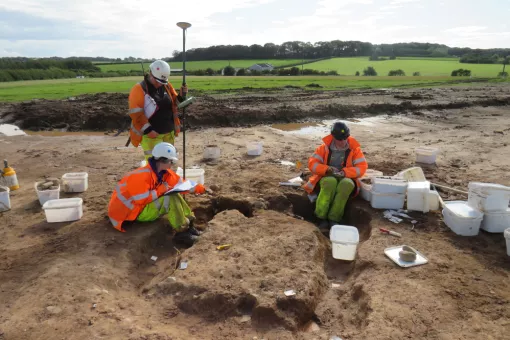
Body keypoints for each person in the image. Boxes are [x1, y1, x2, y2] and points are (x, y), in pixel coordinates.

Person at [108, 142, 207, 247]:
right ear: (162, 160)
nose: (172, 164)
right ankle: (181, 233)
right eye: (171, 161)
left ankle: (189, 225)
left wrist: (201, 189)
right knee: (168, 198)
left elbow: (182, 184)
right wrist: (161, 190)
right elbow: (141, 200)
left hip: (140, 208)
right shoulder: (140, 176)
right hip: (130, 214)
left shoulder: (164, 173)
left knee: (175, 193)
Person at [303, 122, 368, 228]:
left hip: (346, 177)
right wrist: (327, 169)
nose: (343, 141)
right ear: (333, 137)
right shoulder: (323, 148)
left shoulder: (355, 149)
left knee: (346, 185)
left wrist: (346, 172)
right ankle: (321, 217)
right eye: (339, 139)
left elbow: (362, 167)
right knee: (330, 182)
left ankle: (334, 218)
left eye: (345, 138)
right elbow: (312, 164)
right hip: (326, 176)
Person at [128, 60, 187, 161]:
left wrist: (181, 96)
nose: (160, 84)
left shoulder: (166, 86)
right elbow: (136, 113)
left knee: (167, 162)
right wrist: (149, 130)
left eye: (162, 82)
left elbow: (174, 103)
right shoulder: (139, 89)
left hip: (168, 132)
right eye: (157, 81)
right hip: (152, 135)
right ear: (151, 73)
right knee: (154, 165)